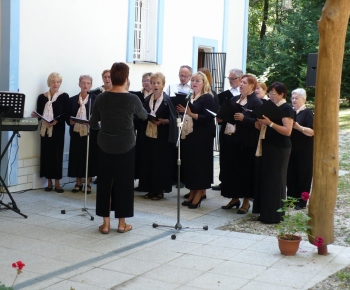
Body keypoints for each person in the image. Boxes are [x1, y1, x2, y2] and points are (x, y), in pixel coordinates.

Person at [89, 62, 148, 234]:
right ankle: (122, 224)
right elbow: (143, 116)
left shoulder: (101, 98)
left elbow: (93, 123)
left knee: (105, 184)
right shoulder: (132, 99)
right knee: (124, 184)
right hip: (127, 145)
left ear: (112, 78)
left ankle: (105, 224)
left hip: (105, 144)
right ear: (126, 78)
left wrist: (104, 132)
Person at [217, 74, 262, 213]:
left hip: (245, 143)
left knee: (245, 172)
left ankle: (247, 201)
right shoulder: (234, 98)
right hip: (230, 140)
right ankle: (234, 198)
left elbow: (258, 124)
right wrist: (221, 117)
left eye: (244, 83)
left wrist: (244, 118)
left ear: (252, 86)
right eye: (241, 82)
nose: (241, 84)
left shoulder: (256, 102)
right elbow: (227, 115)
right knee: (232, 171)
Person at [253, 82, 294, 223]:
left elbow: (287, 131)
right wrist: (260, 124)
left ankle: (276, 215)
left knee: (276, 180)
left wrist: (270, 123)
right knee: (267, 180)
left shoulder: (286, 108)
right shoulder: (271, 107)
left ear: (282, 94)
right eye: (270, 93)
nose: (270, 96)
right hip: (268, 146)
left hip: (280, 148)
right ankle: (266, 212)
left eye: (273, 93)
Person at [177, 71, 215, 209]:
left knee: (199, 167)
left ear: (204, 83)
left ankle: (199, 194)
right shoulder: (190, 96)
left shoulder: (207, 98)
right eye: (193, 80)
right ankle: (192, 191)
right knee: (191, 165)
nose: (194, 82)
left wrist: (191, 114)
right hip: (189, 135)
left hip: (202, 137)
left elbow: (208, 117)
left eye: (197, 80)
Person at [138, 72, 177, 200]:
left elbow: (174, 119)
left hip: (162, 138)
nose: (155, 85)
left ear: (163, 85)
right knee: (148, 162)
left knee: (160, 164)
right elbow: (141, 115)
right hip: (148, 136)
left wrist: (163, 121)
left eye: (158, 83)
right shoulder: (147, 99)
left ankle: (159, 191)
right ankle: (150, 189)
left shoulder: (167, 100)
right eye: (153, 82)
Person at [32, 72, 69, 193]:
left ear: (60, 83)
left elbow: (65, 114)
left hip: (57, 130)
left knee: (57, 156)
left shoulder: (64, 96)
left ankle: (58, 184)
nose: (55, 84)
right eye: (53, 81)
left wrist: (57, 120)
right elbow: (39, 114)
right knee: (47, 154)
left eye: (58, 82)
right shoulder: (41, 97)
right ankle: (49, 183)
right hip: (45, 130)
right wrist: (35, 116)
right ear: (49, 82)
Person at [212, 68, 243, 191]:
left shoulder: (241, 96)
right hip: (225, 127)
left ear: (240, 79)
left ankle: (232, 181)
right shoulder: (226, 94)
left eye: (233, 78)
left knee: (234, 157)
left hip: (237, 129)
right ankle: (223, 180)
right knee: (223, 154)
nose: (230, 81)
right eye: (229, 78)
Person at [67, 75, 98, 194]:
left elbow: (98, 116)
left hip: (90, 133)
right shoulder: (72, 99)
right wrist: (69, 121)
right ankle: (78, 182)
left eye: (88, 83)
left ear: (91, 85)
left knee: (88, 158)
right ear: (79, 84)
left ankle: (88, 183)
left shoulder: (95, 99)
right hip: (76, 132)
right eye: (83, 83)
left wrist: (91, 123)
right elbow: (68, 115)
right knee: (76, 157)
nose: (85, 85)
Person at [287, 88, 314, 209]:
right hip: (291, 149)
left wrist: (299, 128)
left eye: (296, 98)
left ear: (304, 99)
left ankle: (302, 201)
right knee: (291, 174)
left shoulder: (307, 112)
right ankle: (291, 199)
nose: (294, 100)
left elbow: (312, 132)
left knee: (303, 175)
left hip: (304, 150)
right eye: (292, 98)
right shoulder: (290, 112)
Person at [168, 65, 193, 189]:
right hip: (174, 118)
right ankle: (173, 176)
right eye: (180, 75)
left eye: (185, 76)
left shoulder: (192, 89)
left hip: (186, 119)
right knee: (173, 147)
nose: (182, 78)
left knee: (183, 149)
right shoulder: (172, 87)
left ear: (190, 76)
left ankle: (183, 178)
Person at [93, 69, 112, 185]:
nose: (107, 79)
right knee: (99, 152)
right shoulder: (97, 92)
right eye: (105, 77)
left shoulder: (116, 92)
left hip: (111, 128)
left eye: (109, 77)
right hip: (99, 127)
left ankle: (109, 176)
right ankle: (100, 175)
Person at [134, 72, 153, 188]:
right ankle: (141, 181)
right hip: (140, 127)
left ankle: (148, 182)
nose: (146, 83)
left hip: (151, 126)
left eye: (149, 81)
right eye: (144, 80)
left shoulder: (156, 95)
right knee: (140, 154)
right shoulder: (138, 95)